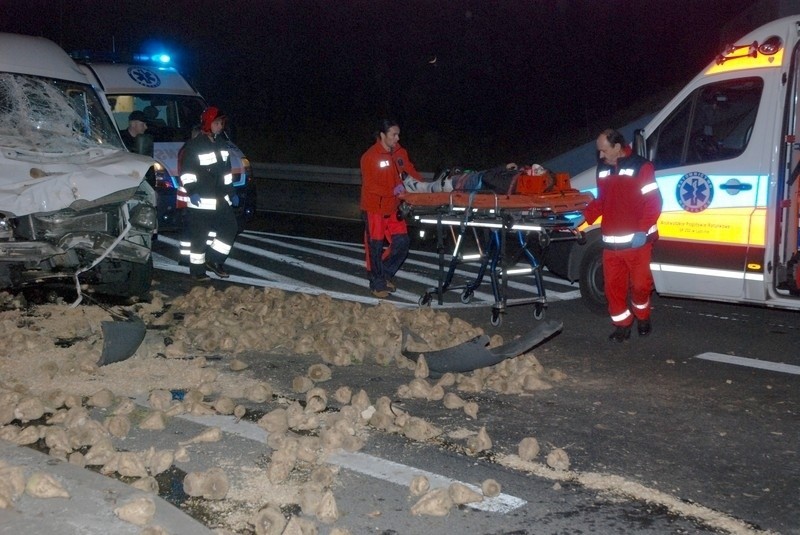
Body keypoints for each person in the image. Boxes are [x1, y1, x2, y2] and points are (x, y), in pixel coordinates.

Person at [583, 128, 663, 342]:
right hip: (611, 245)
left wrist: (643, 230)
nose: (600, 156)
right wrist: (583, 218)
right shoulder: (603, 169)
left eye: (603, 151)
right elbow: (602, 201)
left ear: (617, 147)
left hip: (638, 243)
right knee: (613, 290)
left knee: (640, 286)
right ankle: (622, 325)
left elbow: (654, 203)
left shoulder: (642, 167)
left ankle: (643, 316)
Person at [360, 119, 423, 298]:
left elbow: (410, 171)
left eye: (398, 134)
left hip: (394, 208)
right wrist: (393, 191)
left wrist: (425, 188)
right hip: (375, 210)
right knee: (375, 246)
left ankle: (382, 274)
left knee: (402, 243)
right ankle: (377, 284)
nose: (397, 138)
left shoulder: (399, 153)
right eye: (393, 134)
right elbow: (370, 186)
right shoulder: (370, 156)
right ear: (382, 135)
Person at [179, 106, 239, 281]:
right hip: (202, 200)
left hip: (221, 198)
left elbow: (226, 173)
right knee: (200, 237)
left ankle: (214, 260)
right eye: (217, 123)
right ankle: (197, 272)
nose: (220, 126)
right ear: (208, 124)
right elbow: (187, 172)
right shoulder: (194, 146)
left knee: (230, 228)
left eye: (222, 123)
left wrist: (232, 192)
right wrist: (192, 192)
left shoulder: (222, 144)